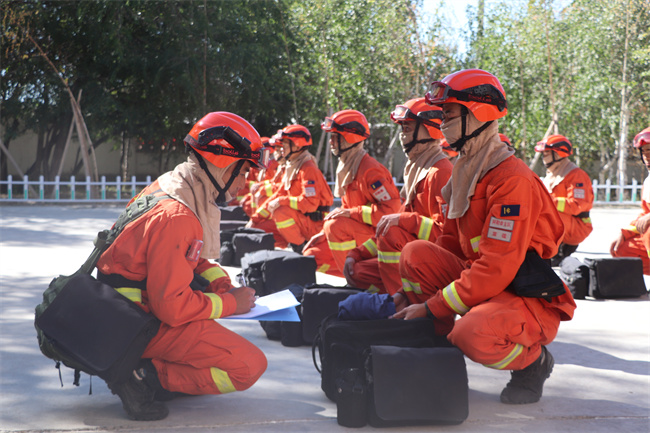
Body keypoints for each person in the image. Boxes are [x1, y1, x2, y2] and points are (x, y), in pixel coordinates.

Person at [393, 69, 576, 404]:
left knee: (471, 333)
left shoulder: (510, 180)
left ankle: (533, 364)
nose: (443, 123)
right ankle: (435, 352)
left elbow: (496, 267)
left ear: (477, 114)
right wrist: (411, 297)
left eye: (450, 114)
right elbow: (449, 244)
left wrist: (432, 306)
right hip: (485, 282)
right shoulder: (466, 171)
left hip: (524, 296)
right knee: (415, 254)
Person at [96, 112, 269, 420]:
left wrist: (222, 285)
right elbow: (172, 308)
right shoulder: (178, 216)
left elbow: (192, 254)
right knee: (249, 366)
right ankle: (144, 376)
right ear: (221, 163)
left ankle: (146, 367)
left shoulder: (174, 185)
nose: (245, 183)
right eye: (243, 171)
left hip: (122, 312)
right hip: (138, 324)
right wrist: (231, 304)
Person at [343, 98, 452, 295]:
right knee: (357, 272)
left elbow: (444, 235)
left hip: (431, 262)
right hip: (412, 256)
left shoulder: (440, 172)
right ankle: (394, 296)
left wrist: (405, 220)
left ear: (428, 130)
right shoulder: (418, 169)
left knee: (392, 233)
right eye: (402, 129)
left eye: (407, 129)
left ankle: (405, 302)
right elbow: (391, 223)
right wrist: (356, 254)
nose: (402, 135)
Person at [303, 109, 401, 276]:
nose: (331, 142)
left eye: (335, 137)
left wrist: (351, 213)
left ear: (350, 138)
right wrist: (321, 234)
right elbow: (345, 209)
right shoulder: (349, 167)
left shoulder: (370, 170)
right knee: (312, 255)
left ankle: (354, 277)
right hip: (359, 231)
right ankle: (357, 273)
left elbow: (391, 211)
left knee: (335, 226)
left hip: (378, 236)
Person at [248, 124, 333, 251]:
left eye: (285, 145)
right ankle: (295, 245)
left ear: (297, 146)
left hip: (316, 224)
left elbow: (309, 204)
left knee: (281, 211)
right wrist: (254, 220)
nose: (281, 149)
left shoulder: (308, 169)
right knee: (263, 223)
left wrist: (282, 201)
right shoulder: (294, 167)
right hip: (305, 221)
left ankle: (300, 249)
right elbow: (278, 194)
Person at [535, 134, 594, 265]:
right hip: (564, 224)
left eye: (546, 153)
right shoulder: (553, 174)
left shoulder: (576, 175)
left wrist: (547, 201)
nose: (543, 157)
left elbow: (577, 205)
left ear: (558, 154)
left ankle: (555, 249)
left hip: (577, 226)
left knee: (544, 215)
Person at [611, 126, 650, 274]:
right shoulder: (648, 182)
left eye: (649, 150)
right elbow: (644, 214)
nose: (646, 155)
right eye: (643, 151)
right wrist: (626, 233)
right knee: (621, 249)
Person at [240, 136, 281, 218]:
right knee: (247, 203)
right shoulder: (259, 164)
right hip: (260, 193)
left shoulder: (275, 164)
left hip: (269, 196)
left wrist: (260, 186)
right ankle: (254, 218)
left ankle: (256, 220)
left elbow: (275, 182)